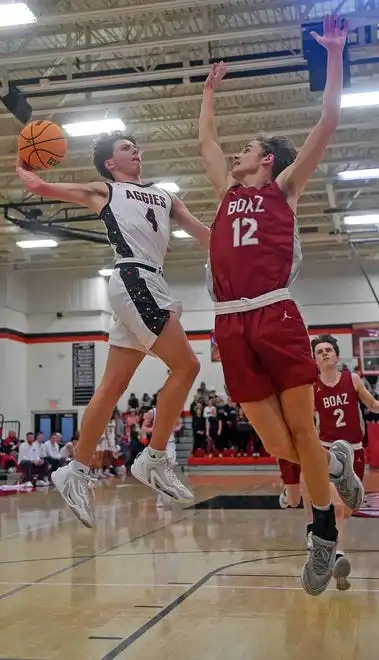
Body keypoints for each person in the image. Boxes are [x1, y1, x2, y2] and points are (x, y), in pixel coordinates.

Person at [199, 15, 364, 596]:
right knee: (278, 444)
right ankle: (335, 464)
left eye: (249, 148)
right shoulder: (226, 192)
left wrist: (337, 54)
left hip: (274, 312)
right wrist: (209, 92)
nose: (237, 153)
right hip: (229, 323)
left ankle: (322, 537)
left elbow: (328, 120)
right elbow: (205, 142)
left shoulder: (283, 189)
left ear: (266, 160)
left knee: (301, 426)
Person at [16, 131, 210, 528]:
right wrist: (30, 171)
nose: (135, 150)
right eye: (125, 148)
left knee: (111, 388)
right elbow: (43, 186)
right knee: (187, 367)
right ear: (110, 163)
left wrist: (238, 244)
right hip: (133, 277)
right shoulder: (104, 190)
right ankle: (153, 458)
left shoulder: (164, 195)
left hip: (153, 281)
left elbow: (202, 232)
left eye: (135, 146)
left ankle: (75, 470)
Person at [311, 334, 379, 589]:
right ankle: (338, 555)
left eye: (329, 349)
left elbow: (372, 404)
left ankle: (327, 535)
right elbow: (306, 421)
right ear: (315, 360)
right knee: (338, 507)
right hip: (328, 452)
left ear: (337, 356)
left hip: (355, 451)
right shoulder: (312, 387)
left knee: (348, 510)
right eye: (320, 351)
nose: (325, 353)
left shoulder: (352, 379)